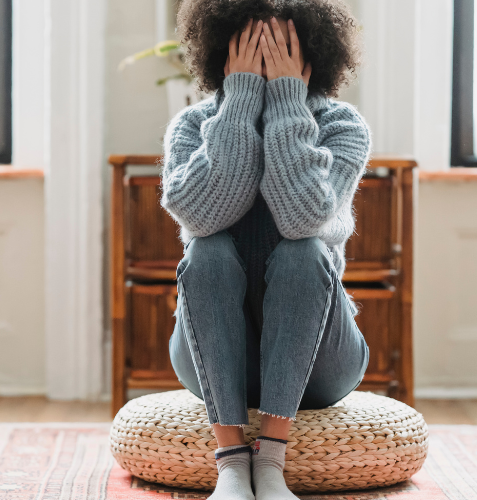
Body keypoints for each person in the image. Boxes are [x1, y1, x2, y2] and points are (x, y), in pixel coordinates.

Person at [161, 1, 370, 499]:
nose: (266, 56)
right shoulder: (192, 125)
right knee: (207, 250)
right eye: (252, 45)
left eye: (280, 47)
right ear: (223, 52)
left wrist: (286, 102)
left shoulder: (343, 126)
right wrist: (239, 103)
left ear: (311, 54)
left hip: (321, 361)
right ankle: (232, 463)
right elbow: (202, 216)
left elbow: (303, 219)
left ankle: (271, 461)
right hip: (211, 357)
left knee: (304, 253)